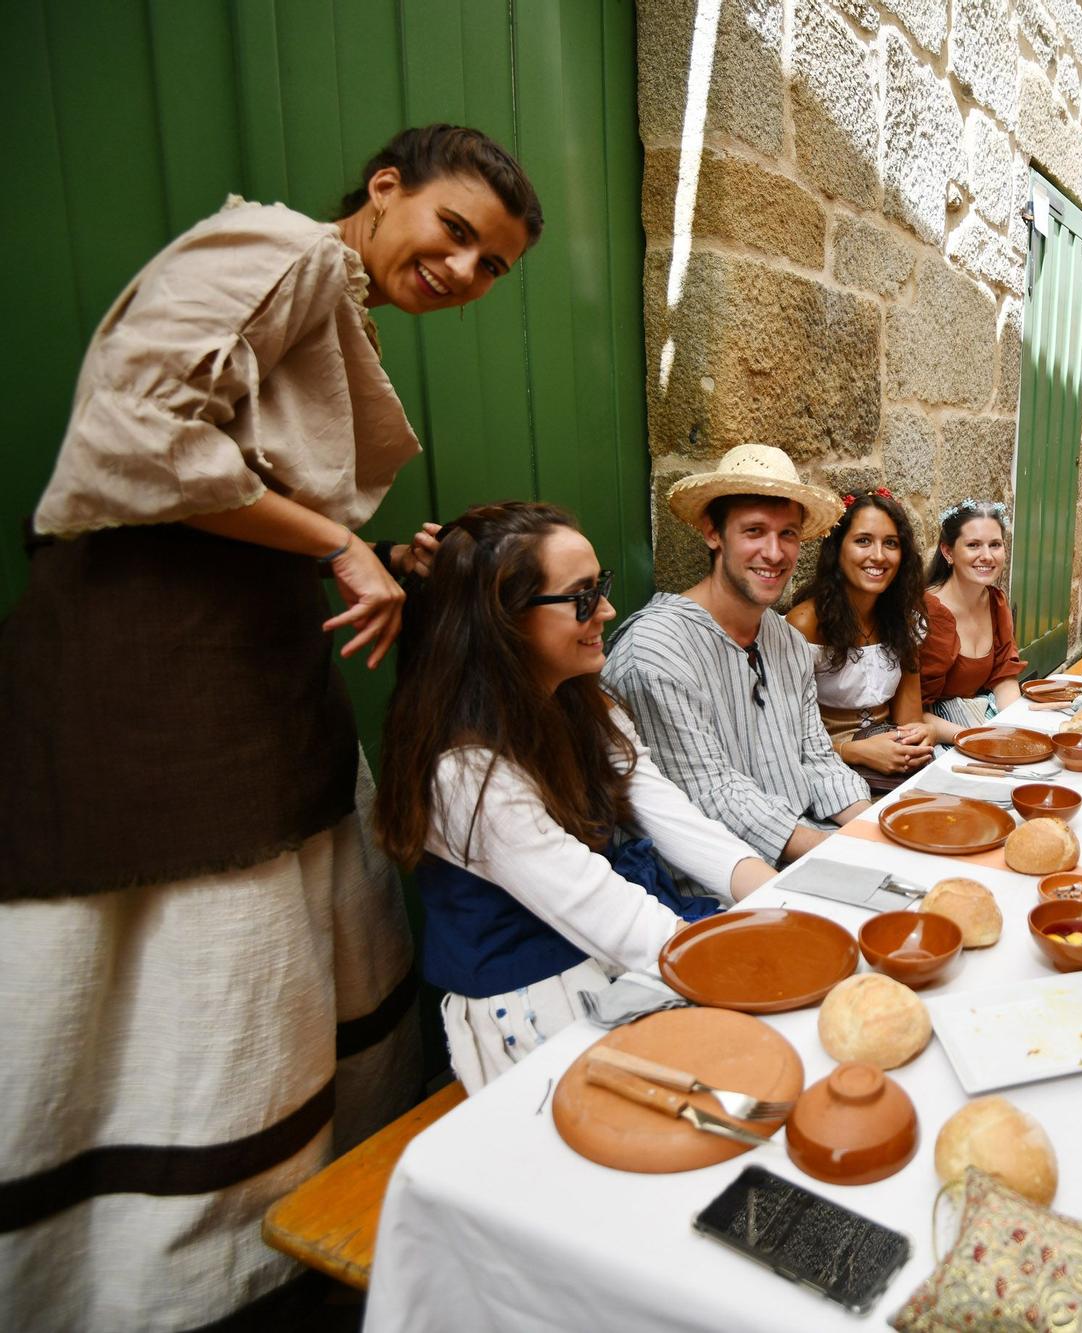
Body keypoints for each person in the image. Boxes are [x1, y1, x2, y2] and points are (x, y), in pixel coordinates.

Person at [0, 125, 540, 1327]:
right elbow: (136, 431)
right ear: (386, 189)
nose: (462, 271)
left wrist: (359, 551)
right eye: (454, 231)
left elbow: (234, 477)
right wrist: (338, 541)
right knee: (176, 959)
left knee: (264, 970)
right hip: (152, 670)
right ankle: (152, 1286)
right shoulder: (286, 247)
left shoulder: (328, 298)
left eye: (491, 265)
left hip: (244, 668)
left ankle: (258, 1249)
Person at [376, 504, 774, 1092]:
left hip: (612, 953)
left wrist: (773, 890)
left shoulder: (580, 702)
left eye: (601, 586)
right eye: (582, 596)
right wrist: (743, 961)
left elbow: (664, 810)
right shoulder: (465, 773)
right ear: (501, 620)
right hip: (537, 999)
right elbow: (598, 907)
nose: (608, 611)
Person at [604, 445, 870, 865]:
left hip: (807, 845)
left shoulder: (787, 641)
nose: (774, 552)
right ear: (713, 533)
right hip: (714, 880)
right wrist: (845, 853)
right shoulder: (656, 650)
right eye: (754, 531)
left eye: (788, 534)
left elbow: (817, 758)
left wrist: (875, 830)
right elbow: (710, 792)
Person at [786, 488, 933, 792]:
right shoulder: (805, 624)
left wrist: (920, 735)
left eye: (890, 543)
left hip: (891, 762)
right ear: (837, 549)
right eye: (863, 540)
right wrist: (856, 751)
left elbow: (909, 720)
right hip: (824, 766)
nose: (878, 556)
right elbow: (786, 736)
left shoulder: (904, 619)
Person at [919, 499, 1028, 740]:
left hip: (982, 718)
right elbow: (911, 710)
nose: (987, 556)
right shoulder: (926, 613)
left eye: (995, 545)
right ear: (948, 552)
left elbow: (1004, 677)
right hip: (938, 731)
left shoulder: (995, 602)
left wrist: (1014, 726)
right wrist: (977, 738)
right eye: (973, 545)